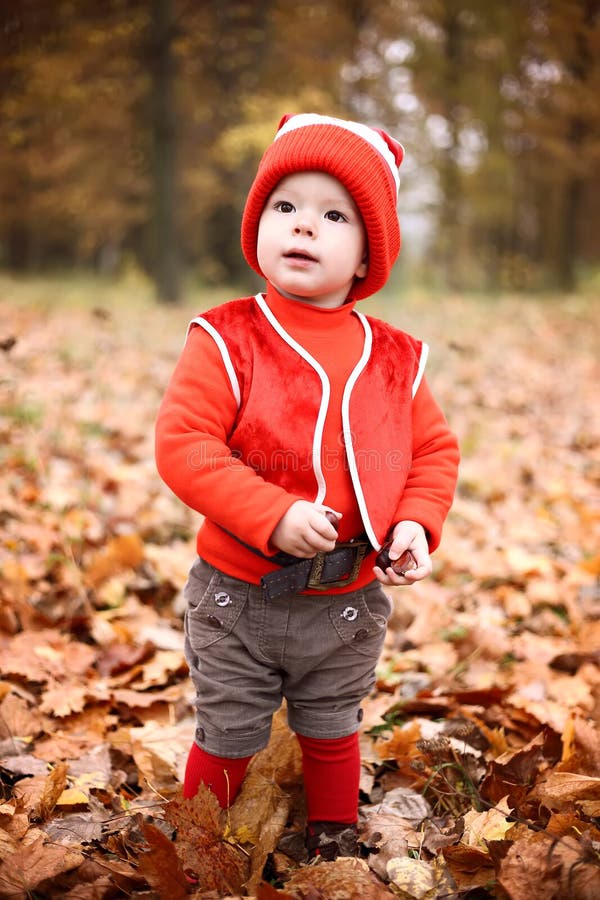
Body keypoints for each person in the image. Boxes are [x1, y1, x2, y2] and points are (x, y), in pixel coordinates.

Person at [155, 113, 459, 859]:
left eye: (333, 216)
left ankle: (333, 837)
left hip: (349, 599)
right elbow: (183, 444)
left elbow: (433, 450)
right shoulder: (227, 339)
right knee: (229, 731)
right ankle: (200, 846)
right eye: (285, 208)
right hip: (240, 594)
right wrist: (271, 513)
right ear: (258, 224)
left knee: (332, 725)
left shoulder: (393, 358)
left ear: (366, 256)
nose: (304, 227)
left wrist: (415, 522)